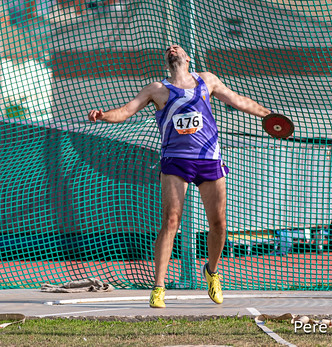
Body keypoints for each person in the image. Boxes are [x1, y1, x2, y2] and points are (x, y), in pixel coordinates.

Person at [88, 44, 272, 308]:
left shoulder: (207, 80)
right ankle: (158, 287)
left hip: (209, 159)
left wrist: (268, 115)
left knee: (219, 223)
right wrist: (103, 115)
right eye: (168, 49)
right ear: (168, 60)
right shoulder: (156, 89)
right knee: (171, 220)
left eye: (177, 47)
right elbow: (126, 111)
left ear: (187, 57)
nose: (172, 49)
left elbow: (238, 100)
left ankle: (212, 272)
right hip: (175, 161)